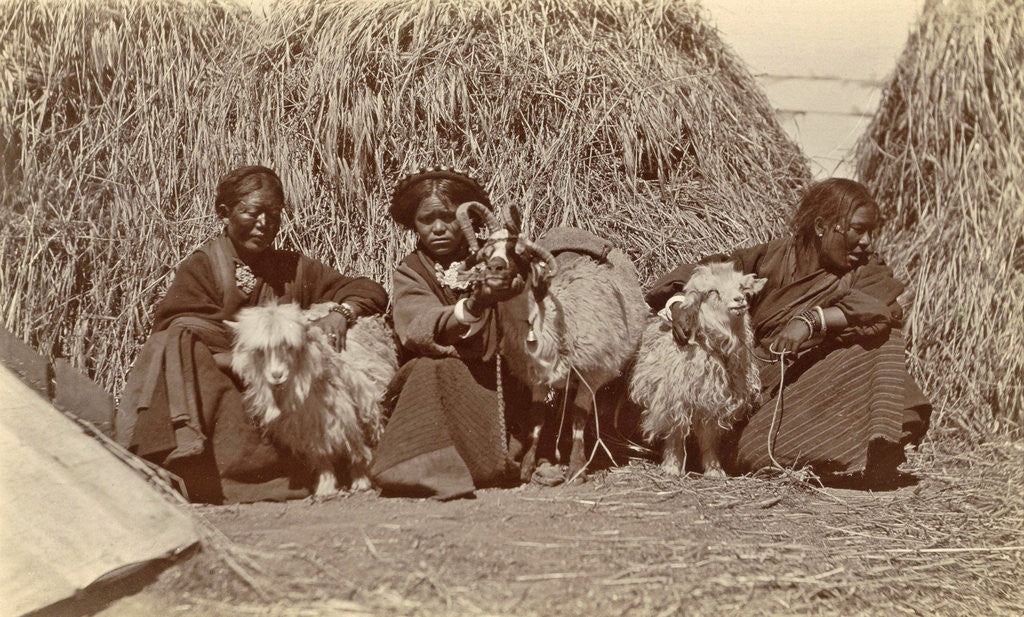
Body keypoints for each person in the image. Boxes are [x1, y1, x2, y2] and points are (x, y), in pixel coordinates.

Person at [115, 166, 388, 503]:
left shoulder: (294, 268)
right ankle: (222, 479)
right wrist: (242, 359)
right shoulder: (203, 267)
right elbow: (179, 327)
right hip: (224, 379)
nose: (263, 224)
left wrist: (341, 313)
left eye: (273, 214)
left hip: (280, 382)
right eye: (251, 211)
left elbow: (367, 289)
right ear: (224, 214)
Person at [646, 178, 931, 485]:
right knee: (746, 443)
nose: (867, 241)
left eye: (871, 232)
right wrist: (680, 304)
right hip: (748, 387)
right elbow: (707, 273)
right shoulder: (771, 258)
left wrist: (812, 321)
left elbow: (881, 307)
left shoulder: (865, 270)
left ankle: (871, 447)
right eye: (857, 230)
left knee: (884, 340)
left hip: (807, 384)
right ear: (822, 226)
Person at [370, 167, 529, 499]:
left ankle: (474, 464)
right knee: (430, 368)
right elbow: (418, 327)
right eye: (428, 220)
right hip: (441, 373)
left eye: (448, 217)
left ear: (467, 221)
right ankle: (416, 464)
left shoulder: (498, 255)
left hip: (499, 379)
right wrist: (475, 304)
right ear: (414, 224)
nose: (439, 228)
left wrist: (514, 288)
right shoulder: (411, 272)